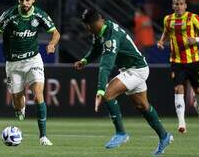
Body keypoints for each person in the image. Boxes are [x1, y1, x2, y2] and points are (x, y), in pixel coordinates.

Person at [74, 9, 173, 155]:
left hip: (135, 69)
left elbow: (106, 66)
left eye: (89, 25)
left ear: (98, 21)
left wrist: (100, 90)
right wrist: (85, 60)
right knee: (142, 106)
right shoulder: (100, 30)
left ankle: (121, 133)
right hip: (132, 68)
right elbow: (96, 49)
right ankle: (164, 136)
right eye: (86, 26)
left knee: (108, 94)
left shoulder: (111, 36)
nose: (88, 29)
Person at [0, 0, 60, 145]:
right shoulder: (10, 15)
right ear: (18, 0)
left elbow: (55, 33)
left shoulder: (40, 15)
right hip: (13, 64)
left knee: (38, 95)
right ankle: (20, 109)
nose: (25, 3)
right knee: (17, 101)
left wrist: (52, 44)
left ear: (33, 0)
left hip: (33, 60)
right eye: (22, 0)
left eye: (28, 0)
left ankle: (43, 136)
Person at [157, 0, 199, 134]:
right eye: (176, 4)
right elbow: (166, 32)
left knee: (198, 90)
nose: (178, 6)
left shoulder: (193, 18)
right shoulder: (168, 19)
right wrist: (161, 41)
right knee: (178, 89)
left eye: (181, 4)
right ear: (172, 6)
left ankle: (198, 104)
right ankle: (182, 122)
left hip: (193, 61)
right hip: (176, 62)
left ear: (185, 5)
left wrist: (197, 39)